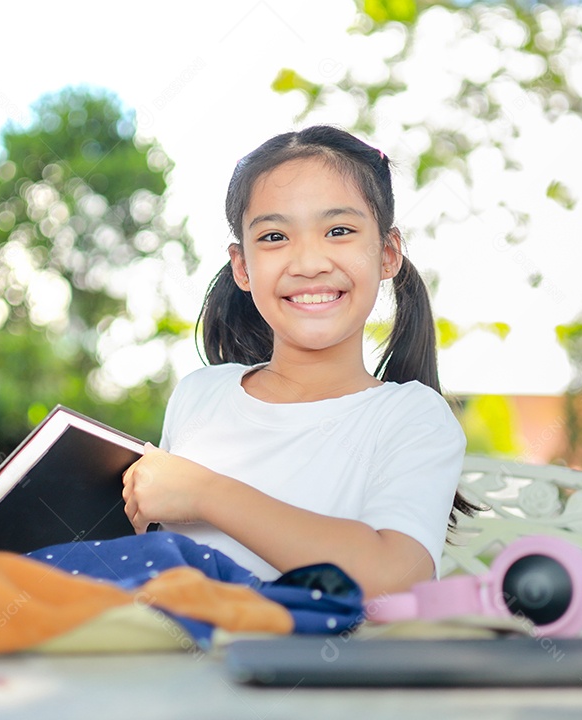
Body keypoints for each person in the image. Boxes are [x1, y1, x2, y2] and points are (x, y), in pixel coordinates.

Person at [121, 125, 473, 599]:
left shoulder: (412, 417)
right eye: (273, 236)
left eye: (339, 231)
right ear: (242, 267)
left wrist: (206, 493)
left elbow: (393, 575)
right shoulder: (199, 394)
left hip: (327, 671)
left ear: (387, 253)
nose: (308, 262)